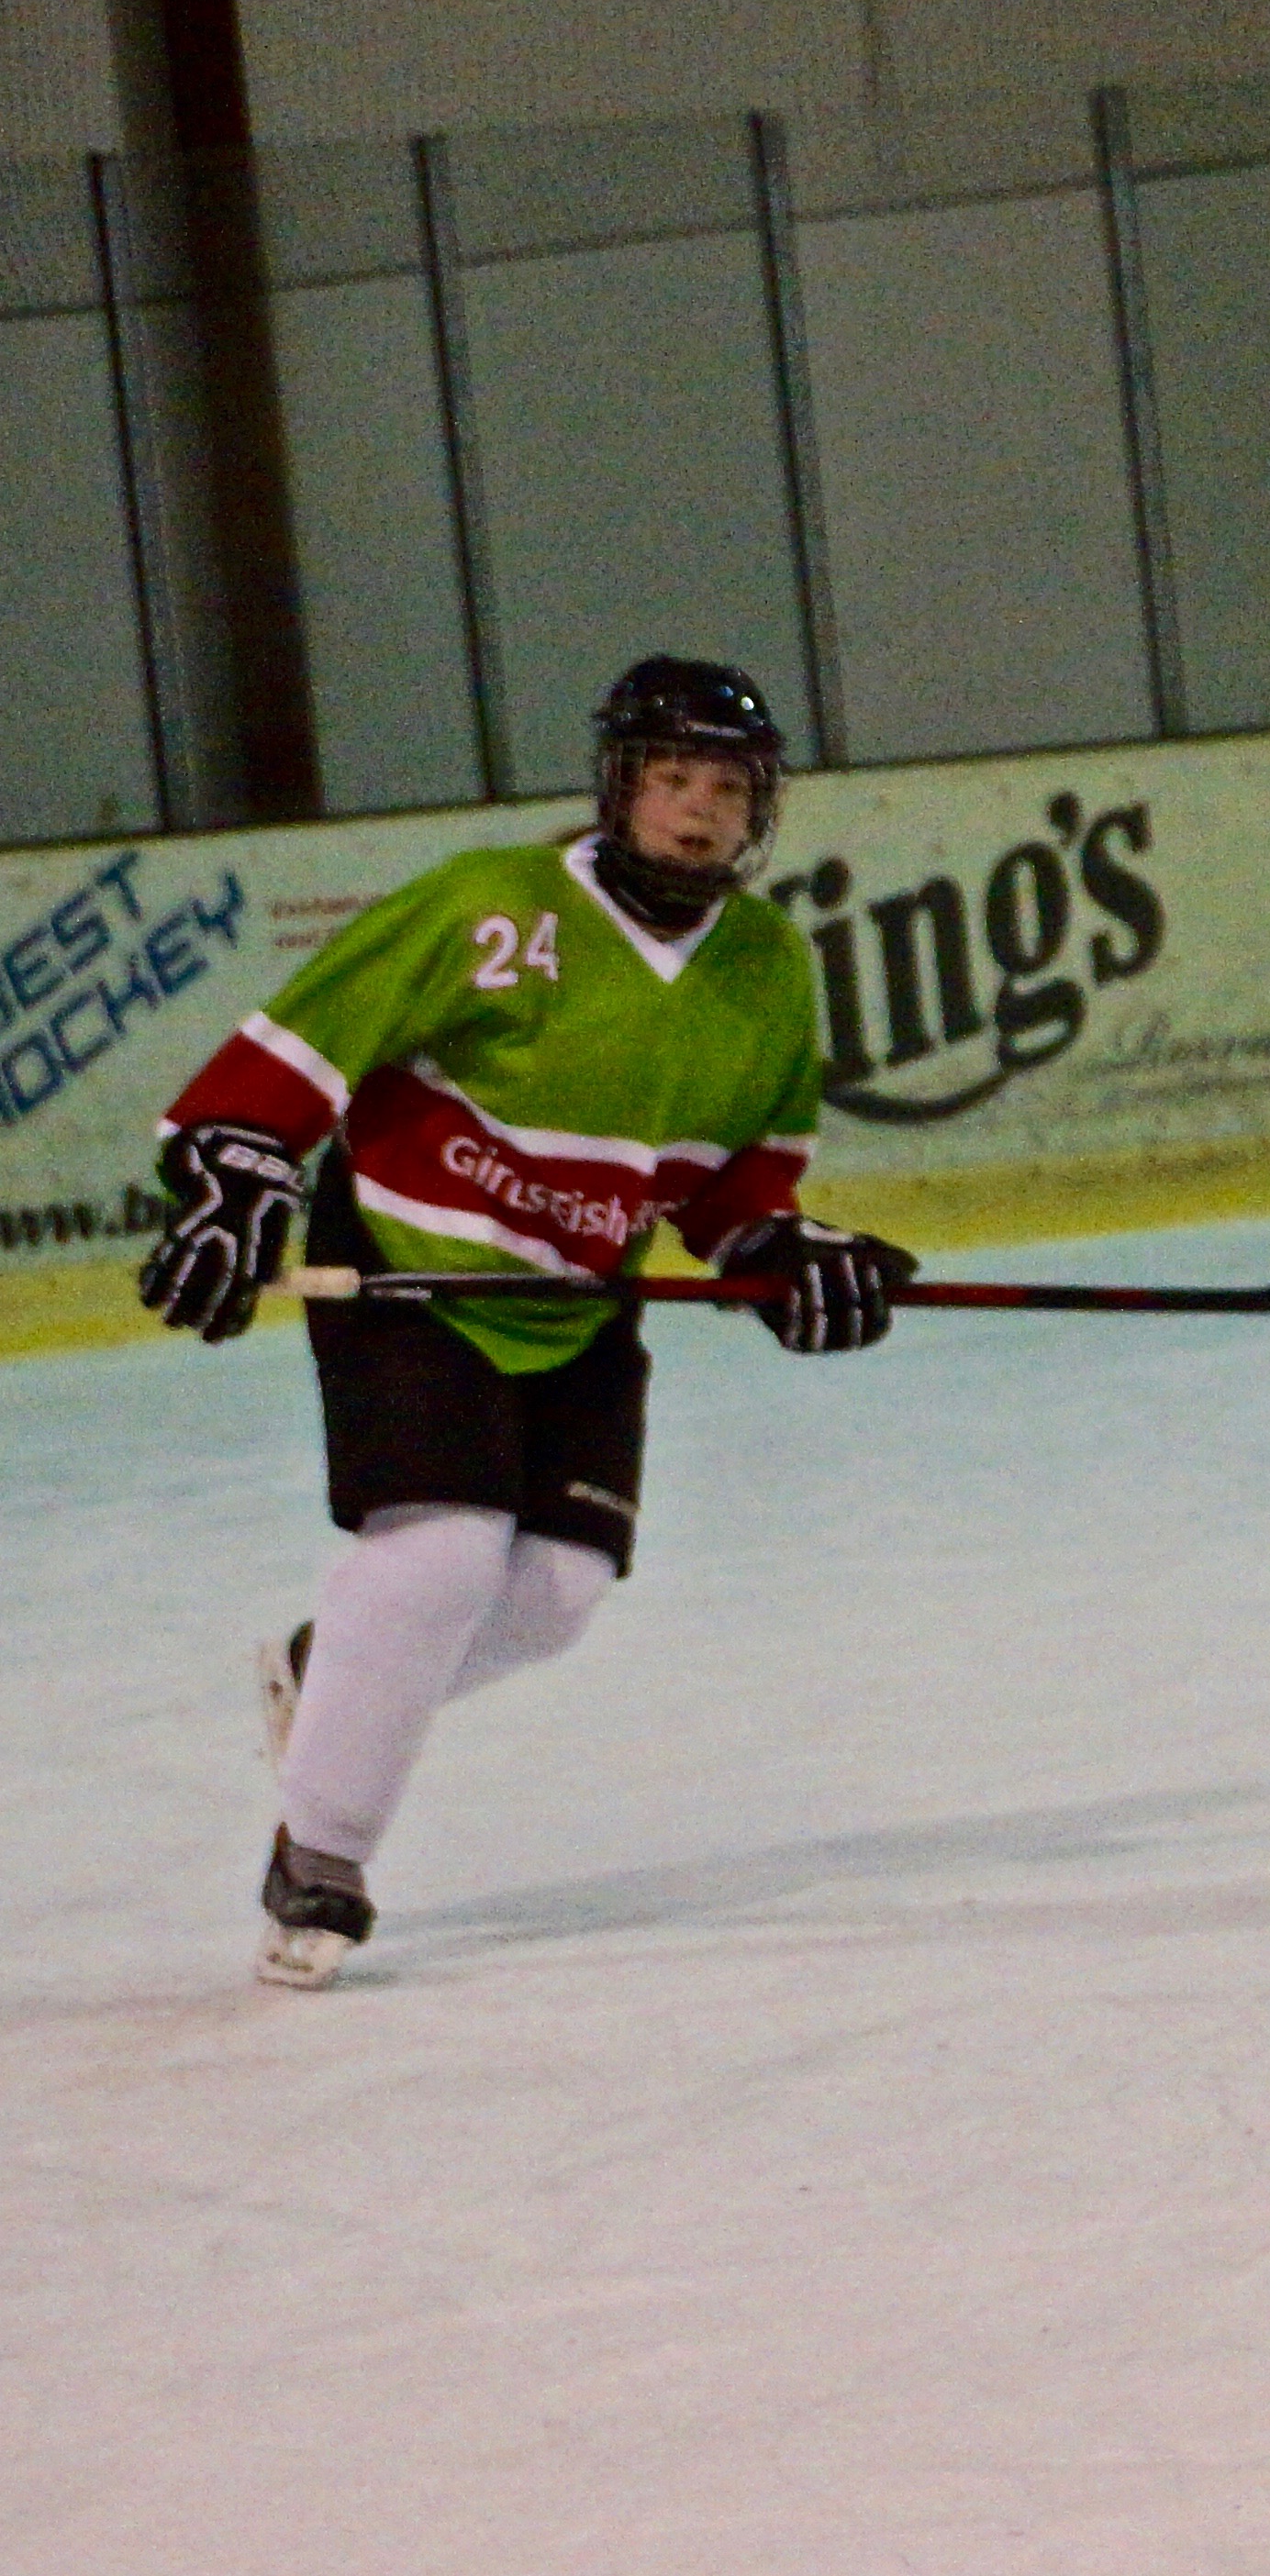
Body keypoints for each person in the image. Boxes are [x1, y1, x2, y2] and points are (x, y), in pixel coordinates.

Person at [131, 657, 910, 1990]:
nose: (698, 810)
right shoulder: (491, 903)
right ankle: (322, 1855)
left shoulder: (767, 966)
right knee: (438, 1560)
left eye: (727, 788)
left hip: (578, 1293)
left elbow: (731, 1183)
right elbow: (301, 1050)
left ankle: (332, 1669)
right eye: (672, 777)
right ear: (620, 784)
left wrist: (778, 1248)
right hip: (411, 1262)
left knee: (555, 1597)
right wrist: (237, 1166)